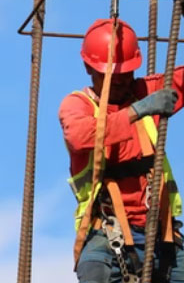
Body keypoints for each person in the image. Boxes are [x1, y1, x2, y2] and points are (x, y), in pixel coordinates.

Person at [59, 18, 184, 282]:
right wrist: (138, 110)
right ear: (88, 68)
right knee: (94, 273)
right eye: (110, 75)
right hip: (106, 233)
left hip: (160, 233)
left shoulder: (146, 91)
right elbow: (79, 136)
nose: (118, 81)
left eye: (125, 74)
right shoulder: (78, 105)